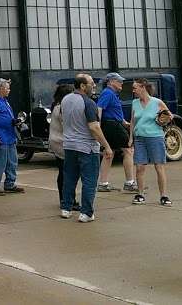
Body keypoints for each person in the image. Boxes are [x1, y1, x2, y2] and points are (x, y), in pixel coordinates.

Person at [60, 74, 114, 222]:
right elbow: (94, 127)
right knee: (89, 181)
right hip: (87, 147)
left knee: (69, 179)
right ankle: (86, 213)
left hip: (69, 146)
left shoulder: (65, 100)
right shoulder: (88, 103)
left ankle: (66, 208)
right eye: (91, 83)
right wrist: (107, 146)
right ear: (83, 86)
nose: (94, 86)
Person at [129, 78, 172, 206]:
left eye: (135, 88)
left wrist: (164, 118)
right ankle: (140, 194)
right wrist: (131, 137)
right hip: (139, 138)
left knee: (159, 166)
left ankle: (163, 195)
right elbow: (132, 121)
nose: (133, 90)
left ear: (143, 87)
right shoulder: (134, 103)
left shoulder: (157, 102)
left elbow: (170, 116)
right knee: (139, 167)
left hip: (155, 137)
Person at [97, 73, 137, 193]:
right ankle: (130, 182)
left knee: (109, 153)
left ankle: (103, 183)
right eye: (119, 81)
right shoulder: (108, 93)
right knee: (128, 149)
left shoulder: (111, 94)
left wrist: (124, 122)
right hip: (111, 125)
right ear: (111, 82)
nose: (122, 83)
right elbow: (99, 108)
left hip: (113, 124)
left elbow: (113, 110)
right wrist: (98, 125)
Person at [47, 83, 79, 211]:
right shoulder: (63, 108)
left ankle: (64, 199)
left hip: (55, 141)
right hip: (63, 142)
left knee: (62, 172)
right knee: (69, 173)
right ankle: (69, 200)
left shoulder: (55, 105)